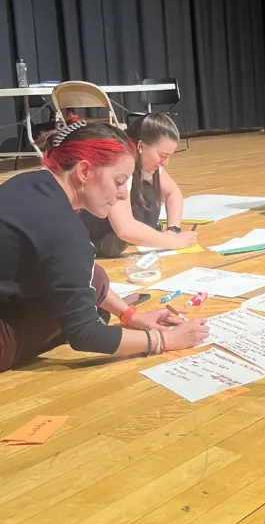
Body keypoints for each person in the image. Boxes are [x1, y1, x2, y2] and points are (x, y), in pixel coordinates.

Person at [0, 119, 208, 372]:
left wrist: (130, 315)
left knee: (94, 277)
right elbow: (85, 334)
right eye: (119, 182)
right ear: (84, 171)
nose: (123, 194)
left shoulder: (30, 182)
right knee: (77, 309)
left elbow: (85, 276)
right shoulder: (64, 228)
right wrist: (165, 340)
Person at [80, 113, 197, 258]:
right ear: (141, 146)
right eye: (162, 156)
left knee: (148, 193)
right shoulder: (120, 162)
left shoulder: (146, 162)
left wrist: (173, 229)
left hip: (120, 230)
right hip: (93, 229)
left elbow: (172, 192)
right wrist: (175, 242)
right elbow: (124, 227)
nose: (166, 163)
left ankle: (144, 233)